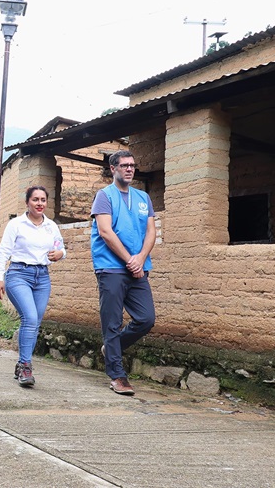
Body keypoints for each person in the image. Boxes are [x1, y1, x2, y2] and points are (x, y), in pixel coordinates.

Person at [90, 149, 156, 396]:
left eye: (132, 165)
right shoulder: (104, 196)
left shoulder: (143, 198)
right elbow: (105, 232)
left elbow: (151, 231)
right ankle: (117, 375)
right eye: (125, 165)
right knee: (113, 323)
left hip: (139, 269)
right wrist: (130, 260)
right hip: (111, 268)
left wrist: (140, 259)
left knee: (146, 318)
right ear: (113, 168)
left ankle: (111, 348)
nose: (130, 169)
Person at [0, 186, 65, 387]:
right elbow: (3, 251)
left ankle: (21, 364)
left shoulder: (51, 226)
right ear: (27, 202)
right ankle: (26, 366)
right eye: (35, 199)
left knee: (35, 324)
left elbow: (60, 248)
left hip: (42, 277)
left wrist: (60, 254)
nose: (40, 203)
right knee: (30, 318)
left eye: (43, 199)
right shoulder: (17, 224)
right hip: (18, 274)